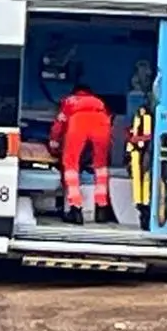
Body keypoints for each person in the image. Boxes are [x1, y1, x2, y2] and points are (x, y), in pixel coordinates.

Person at [51, 82, 115, 225]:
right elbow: (110, 122)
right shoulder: (99, 102)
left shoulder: (70, 101)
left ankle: (76, 209)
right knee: (101, 167)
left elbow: (59, 123)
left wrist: (54, 142)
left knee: (71, 165)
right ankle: (101, 208)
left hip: (78, 123)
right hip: (102, 124)